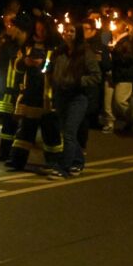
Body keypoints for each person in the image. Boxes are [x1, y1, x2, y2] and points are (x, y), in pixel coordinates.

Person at [6, 16, 63, 172]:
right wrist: (25, 62)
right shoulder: (27, 45)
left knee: (51, 131)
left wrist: (45, 65)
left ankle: (54, 162)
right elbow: (15, 65)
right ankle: (17, 160)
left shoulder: (58, 47)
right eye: (37, 29)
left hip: (49, 95)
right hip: (30, 93)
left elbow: (62, 67)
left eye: (43, 30)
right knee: (25, 129)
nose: (39, 33)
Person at [48, 23, 101, 179]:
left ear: (77, 34)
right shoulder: (59, 52)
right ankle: (78, 161)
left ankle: (63, 167)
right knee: (66, 132)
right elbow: (51, 70)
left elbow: (96, 76)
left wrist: (78, 81)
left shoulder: (85, 53)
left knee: (70, 132)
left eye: (71, 31)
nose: (68, 33)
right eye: (66, 31)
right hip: (61, 96)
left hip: (77, 97)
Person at [0, 11, 29, 161]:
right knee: (7, 121)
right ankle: (7, 151)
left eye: (11, 26)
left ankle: (12, 153)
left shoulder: (25, 47)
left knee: (17, 123)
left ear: (19, 29)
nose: (8, 28)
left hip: (17, 90)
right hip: (5, 89)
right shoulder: (7, 44)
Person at [104, 19, 133, 132]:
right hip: (113, 73)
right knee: (109, 101)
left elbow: (128, 58)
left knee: (120, 100)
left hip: (124, 75)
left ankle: (132, 118)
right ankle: (110, 122)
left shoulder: (127, 41)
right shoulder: (114, 39)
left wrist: (113, 52)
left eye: (114, 26)